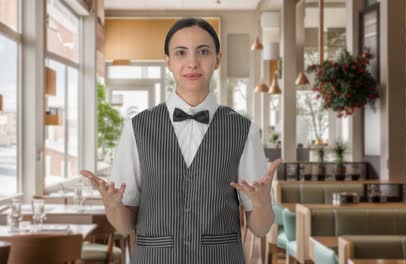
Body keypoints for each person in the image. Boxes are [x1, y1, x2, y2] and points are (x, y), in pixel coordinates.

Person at [81, 17, 281, 264]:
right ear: (168, 61)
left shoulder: (243, 130)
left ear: (217, 59)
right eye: (181, 53)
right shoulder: (137, 128)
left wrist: (261, 204)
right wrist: (112, 206)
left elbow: (260, 229)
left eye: (203, 51)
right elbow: (124, 227)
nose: (192, 62)